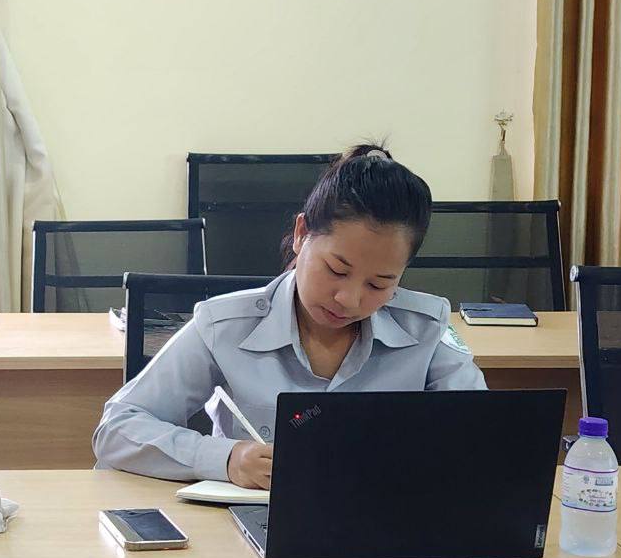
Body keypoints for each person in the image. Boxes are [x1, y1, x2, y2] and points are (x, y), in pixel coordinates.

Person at [93, 144, 486, 489]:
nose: (349, 299)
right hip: (252, 526)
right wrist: (225, 459)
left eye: (379, 283)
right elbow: (117, 428)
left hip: (384, 525)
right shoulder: (224, 326)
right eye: (336, 270)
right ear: (301, 233)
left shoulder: (428, 328)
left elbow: (483, 436)